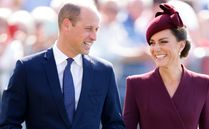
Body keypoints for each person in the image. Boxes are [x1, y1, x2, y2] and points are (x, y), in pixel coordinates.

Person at [0, 1, 125, 129]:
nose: (94, 37)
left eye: (96, 29)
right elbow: (8, 123)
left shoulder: (104, 71)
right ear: (67, 25)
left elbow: (114, 124)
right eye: (88, 29)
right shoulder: (27, 69)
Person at [123, 3, 209, 129]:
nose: (156, 48)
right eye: (152, 43)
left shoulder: (203, 83)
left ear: (181, 45)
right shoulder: (136, 84)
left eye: (163, 42)